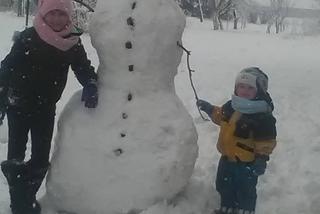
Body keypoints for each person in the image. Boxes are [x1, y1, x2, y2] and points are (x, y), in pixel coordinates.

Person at [0, 0, 98, 213]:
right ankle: (20, 204)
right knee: (16, 156)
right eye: (51, 13)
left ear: (68, 16)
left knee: (40, 159)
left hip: (45, 107)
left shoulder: (72, 42)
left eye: (61, 14)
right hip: (19, 104)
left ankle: (27, 196)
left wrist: (90, 83)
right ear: (43, 14)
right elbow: (5, 69)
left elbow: (83, 67)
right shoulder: (28, 37)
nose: (56, 18)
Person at [197, 67, 277, 214]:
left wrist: (261, 159)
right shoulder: (231, 106)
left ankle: (244, 210)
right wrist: (209, 109)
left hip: (247, 163)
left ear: (259, 91)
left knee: (245, 190)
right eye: (241, 86)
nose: (244, 90)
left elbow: (266, 142)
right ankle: (226, 208)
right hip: (226, 159)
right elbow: (220, 116)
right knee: (223, 185)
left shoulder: (262, 116)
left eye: (250, 88)